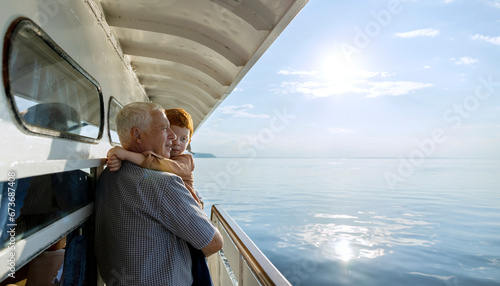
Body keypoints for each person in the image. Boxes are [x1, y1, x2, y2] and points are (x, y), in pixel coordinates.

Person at [94, 102, 223, 285]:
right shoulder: (164, 184)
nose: (172, 137)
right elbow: (213, 243)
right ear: (137, 135)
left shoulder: (107, 177)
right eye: (164, 129)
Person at [106, 108, 202, 207]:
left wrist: (126, 155)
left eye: (183, 139)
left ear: (189, 141)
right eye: (172, 135)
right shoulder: (156, 154)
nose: (176, 142)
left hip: (190, 208)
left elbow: (166, 166)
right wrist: (117, 158)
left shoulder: (186, 160)